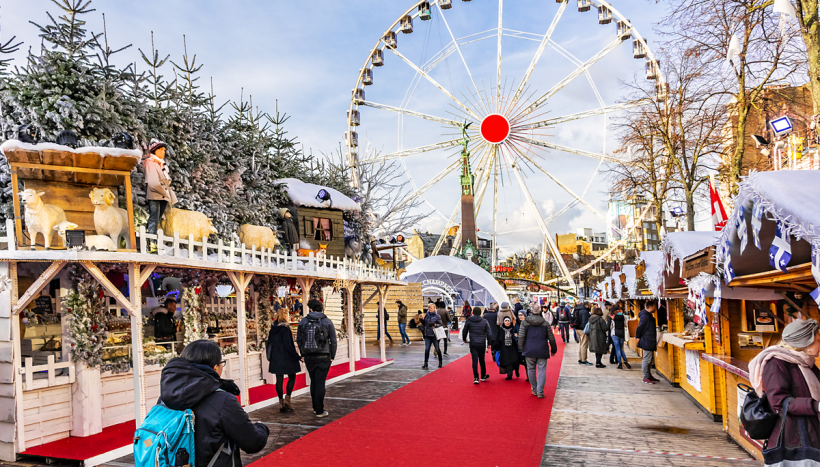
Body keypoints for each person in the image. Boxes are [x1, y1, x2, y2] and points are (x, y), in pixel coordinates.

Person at [158, 340, 269, 467]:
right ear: (215, 367)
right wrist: (262, 427)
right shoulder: (223, 401)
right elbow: (253, 442)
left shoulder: (166, 397)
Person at [750, 319, 820, 451]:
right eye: (818, 340)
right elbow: (779, 402)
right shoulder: (776, 363)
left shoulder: (806, 363)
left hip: (811, 433)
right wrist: (816, 405)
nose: (819, 344)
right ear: (806, 343)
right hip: (793, 439)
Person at [296, 299, 338, 417]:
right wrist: (332, 356)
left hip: (309, 355)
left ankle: (315, 407)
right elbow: (333, 341)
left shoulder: (303, 321)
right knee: (320, 382)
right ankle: (319, 409)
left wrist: (302, 353)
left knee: (313, 381)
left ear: (311, 308)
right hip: (324, 355)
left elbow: (299, 340)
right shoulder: (327, 322)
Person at [144, 141, 178, 251]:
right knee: (154, 218)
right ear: (155, 150)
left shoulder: (160, 164)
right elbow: (153, 182)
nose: (163, 152)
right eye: (161, 149)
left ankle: (153, 241)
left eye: (164, 150)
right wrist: (164, 192)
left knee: (157, 219)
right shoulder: (150, 163)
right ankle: (151, 243)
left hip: (163, 195)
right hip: (156, 194)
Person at [519, 304, 558, 398]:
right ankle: (540, 391)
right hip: (542, 350)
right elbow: (551, 338)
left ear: (531, 311)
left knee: (531, 370)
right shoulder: (545, 323)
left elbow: (521, 337)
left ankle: (534, 389)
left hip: (529, 349)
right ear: (539, 312)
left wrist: (521, 349)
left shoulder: (525, 322)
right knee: (542, 370)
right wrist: (553, 349)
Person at [266, 308, 301, 413]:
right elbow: (288, 345)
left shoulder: (273, 329)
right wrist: (297, 356)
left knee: (279, 379)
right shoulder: (285, 329)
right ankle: (288, 399)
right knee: (292, 376)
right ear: (285, 316)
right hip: (287, 357)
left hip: (276, 357)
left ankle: (280, 402)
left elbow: (270, 343)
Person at [462, 306, 492, 384]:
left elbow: (464, 330)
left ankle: (476, 377)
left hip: (473, 342)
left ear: (473, 312)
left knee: (474, 360)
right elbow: (489, 333)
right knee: (482, 360)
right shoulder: (484, 321)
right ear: (480, 313)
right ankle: (483, 375)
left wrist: (464, 338)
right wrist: (489, 343)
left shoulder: (469, 320)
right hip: (481, 343)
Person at [635, 300, 659, 384]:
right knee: (647, 359)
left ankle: (648, 375)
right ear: (650, 307)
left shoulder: (647, 315)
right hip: (647, 339)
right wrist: (638, 336)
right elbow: (640, 327)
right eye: (654, 306)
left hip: (649, 339)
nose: (655, 308)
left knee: (649, 359)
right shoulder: (645, 316)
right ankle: (646, 377)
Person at [421, 303, 444, 369]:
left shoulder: (437, 316)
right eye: (429, 308)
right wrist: (421, 319)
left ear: (434, 308)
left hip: (434, 335)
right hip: (427, 335)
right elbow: (424, 324)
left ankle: (440, 362)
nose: (430, 309)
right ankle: (425, 363)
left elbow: (441, 324)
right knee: (427, 349)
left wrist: (436, 325)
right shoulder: (426, 315)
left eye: (431, 308)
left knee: (437, 349)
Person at [515, 310, 527, 379]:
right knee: (518, 360)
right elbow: (514, 333)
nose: (520, 317)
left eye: (522, 315)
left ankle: (528, 375)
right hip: (518, 344)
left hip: (526, 345)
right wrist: (517, 338)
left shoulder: (527, 323)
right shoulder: (517, 323)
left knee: (526, 361)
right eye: (519, 315)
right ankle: (517, 370)